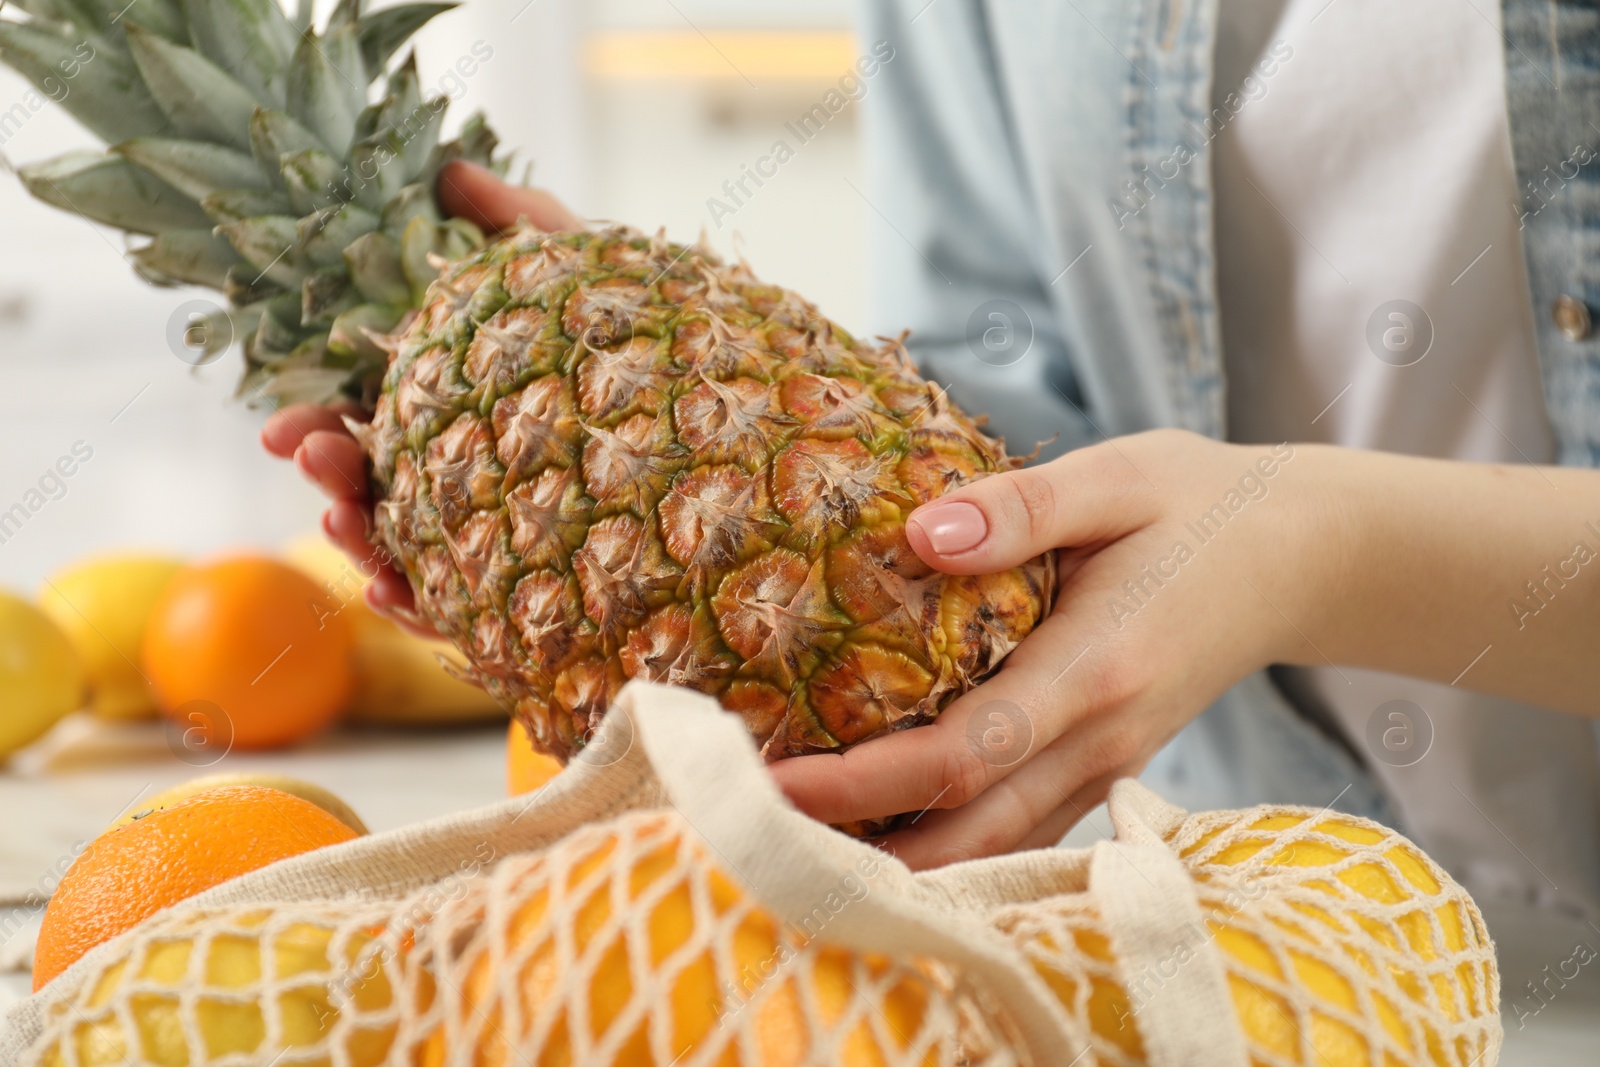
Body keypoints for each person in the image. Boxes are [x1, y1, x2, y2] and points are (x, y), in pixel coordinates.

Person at [265, 2, 1600, 924]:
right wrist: (656, 408)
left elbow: (1260, 536)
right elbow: (1001, 372)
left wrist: (1302, 542)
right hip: (1261, 915)